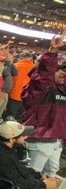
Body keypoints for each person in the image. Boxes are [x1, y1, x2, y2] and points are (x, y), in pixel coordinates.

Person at [22, 35, 66, 177]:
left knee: (51, 175)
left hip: (56, 140)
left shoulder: (61, 89)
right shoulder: (41, 88)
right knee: (33, 175)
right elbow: (45, 73)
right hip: (40, 138)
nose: (63, 73)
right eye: (60, 70)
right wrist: (53, 50)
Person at [6, 52, 35, 121]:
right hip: (28, 96)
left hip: (14, 94)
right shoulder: (35, 68)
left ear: (20, 58)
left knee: (10, 116)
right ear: (31, 58)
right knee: (21, 116)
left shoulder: (15, 65)